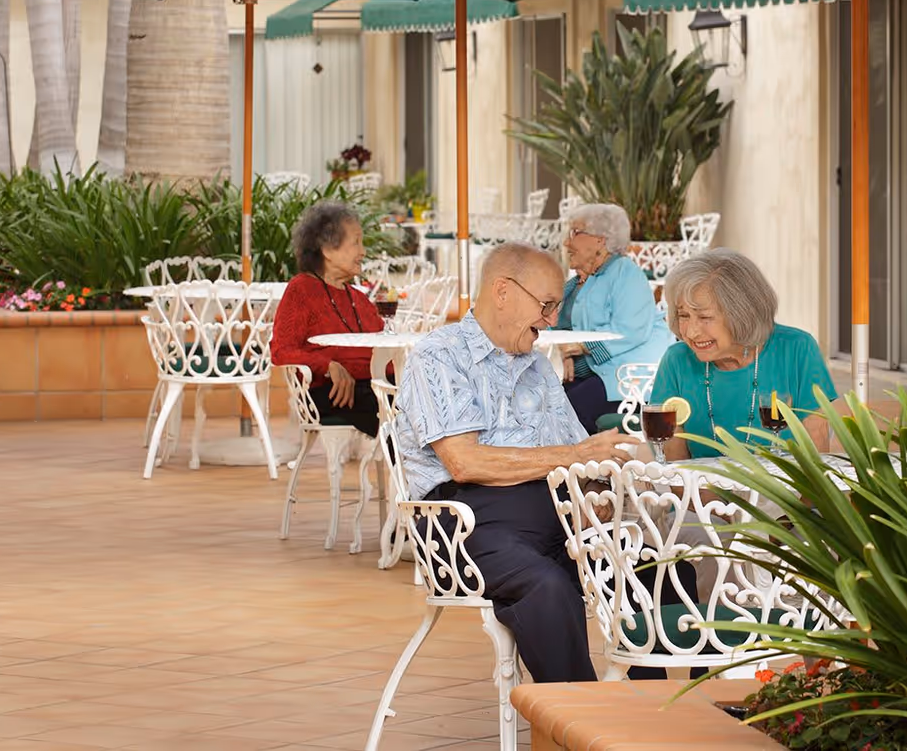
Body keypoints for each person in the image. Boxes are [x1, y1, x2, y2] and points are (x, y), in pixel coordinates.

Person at [393, 242, 628, 683]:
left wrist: (594, 492)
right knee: (548, 588)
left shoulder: (537, 366)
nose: (552, 319)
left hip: (550, 514)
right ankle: (577, 725)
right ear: (502, 291)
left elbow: (578, 456)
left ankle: (658, 718)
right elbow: (464, 463)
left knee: (651, 570)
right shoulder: (439, 355)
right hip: (461, 520)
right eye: (546, 304)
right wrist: (577, 457)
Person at [649, 248, 836, 458]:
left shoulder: (797, 349)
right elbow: (675, 463)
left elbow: (817, 446)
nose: (691, 332)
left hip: (782, 490)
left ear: (741, 314)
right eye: (683, 315)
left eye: (705, 318)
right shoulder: (677, 361)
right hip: (703, 489)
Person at [555, 202, 672, 431]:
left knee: (565, 412)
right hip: (595, 374)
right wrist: (564, 351)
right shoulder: (585, 281)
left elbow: (629, 330)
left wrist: (578, 346)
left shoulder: (625, 273)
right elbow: (557, 323)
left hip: (626, 377)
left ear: (600, 239)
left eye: (575, 233)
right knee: (549, 405)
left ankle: (585, 463)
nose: (567, 242)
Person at [270, 200, 385, 435]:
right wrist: (328, 365)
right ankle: (416, 470)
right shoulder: (301, 290)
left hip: (372, 387)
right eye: (356, 242)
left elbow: (383, 347)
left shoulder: (359, 299)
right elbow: (281, 351)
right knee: (399, 411)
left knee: (421, 401)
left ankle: (420, 468)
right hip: (327, 392)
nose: (363, 251)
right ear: (328, 249)